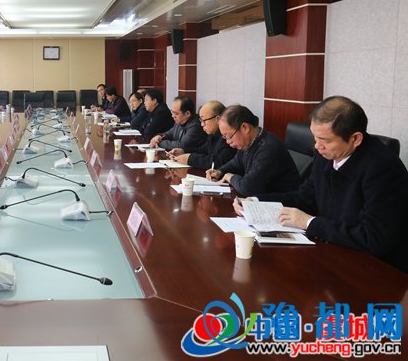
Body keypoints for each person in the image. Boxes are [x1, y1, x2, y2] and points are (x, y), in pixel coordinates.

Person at [238, 96, 408, 272]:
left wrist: (309, 223)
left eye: (325, 140)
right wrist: (255, 202)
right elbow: (305, 197)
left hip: (377, 269)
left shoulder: (383, 168)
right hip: (334, 251)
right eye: (315, 137)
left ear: (355, 139)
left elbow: (374, 239)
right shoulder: (325, 155)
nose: (317, 146)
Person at [205, 105, 299, 196]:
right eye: (224, 137)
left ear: (245, 128)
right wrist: (220, 172)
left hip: (281, 203)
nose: (227, 142)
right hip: (260, 199)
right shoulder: (248, 143)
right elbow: (236, 163)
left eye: (228, 136)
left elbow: (247, 188)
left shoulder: (269, 148)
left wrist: (230, 177)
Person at [170, 100, 236, 170]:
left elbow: (218, 163)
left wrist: (190, 159)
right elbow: (204, 150)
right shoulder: (213, 134)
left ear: (218, 119)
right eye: (201, 120)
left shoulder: (228, 137)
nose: (202, 124)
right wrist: (184, 152)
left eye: (204, 120)